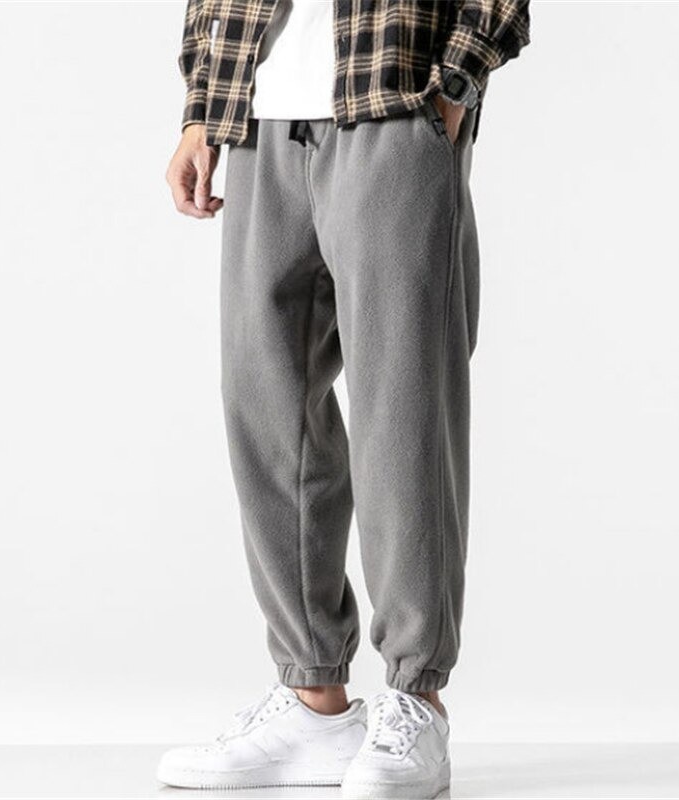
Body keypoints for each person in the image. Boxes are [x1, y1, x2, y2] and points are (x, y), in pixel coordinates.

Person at [158, 1, 529, 797]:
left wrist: (454, 84)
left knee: (403, 407)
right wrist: (202, 109)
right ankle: (312, 698)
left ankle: (416, 695)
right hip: (259, 119)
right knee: (266, 407)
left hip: (392, 105)